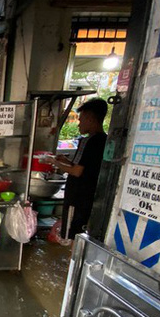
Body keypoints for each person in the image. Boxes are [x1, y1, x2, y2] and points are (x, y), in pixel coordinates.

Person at [46, 98, 108, 241]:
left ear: (90, 119)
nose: (79, 123)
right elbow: (83, 166)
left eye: (81, 120)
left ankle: (72, 261)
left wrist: (54, 161)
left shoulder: (93, 142)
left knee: (74, 233)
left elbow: (77, 172)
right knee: (77, 231)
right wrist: (66, 161)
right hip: (85, 195)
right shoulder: (99, 140)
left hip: (80, 197)